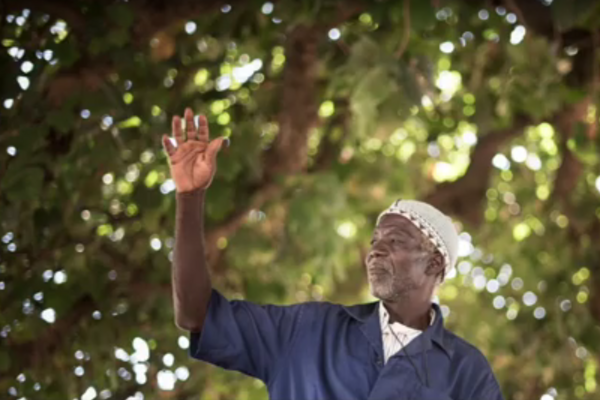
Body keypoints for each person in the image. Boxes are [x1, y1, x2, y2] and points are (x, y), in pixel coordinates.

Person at [164, 108, 504, 400]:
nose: (375, 252)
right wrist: (189, 197)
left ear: (434, 263)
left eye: (395, 241)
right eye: (374, 242)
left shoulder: (467, 373)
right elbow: (196, 315)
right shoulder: (308, 329)